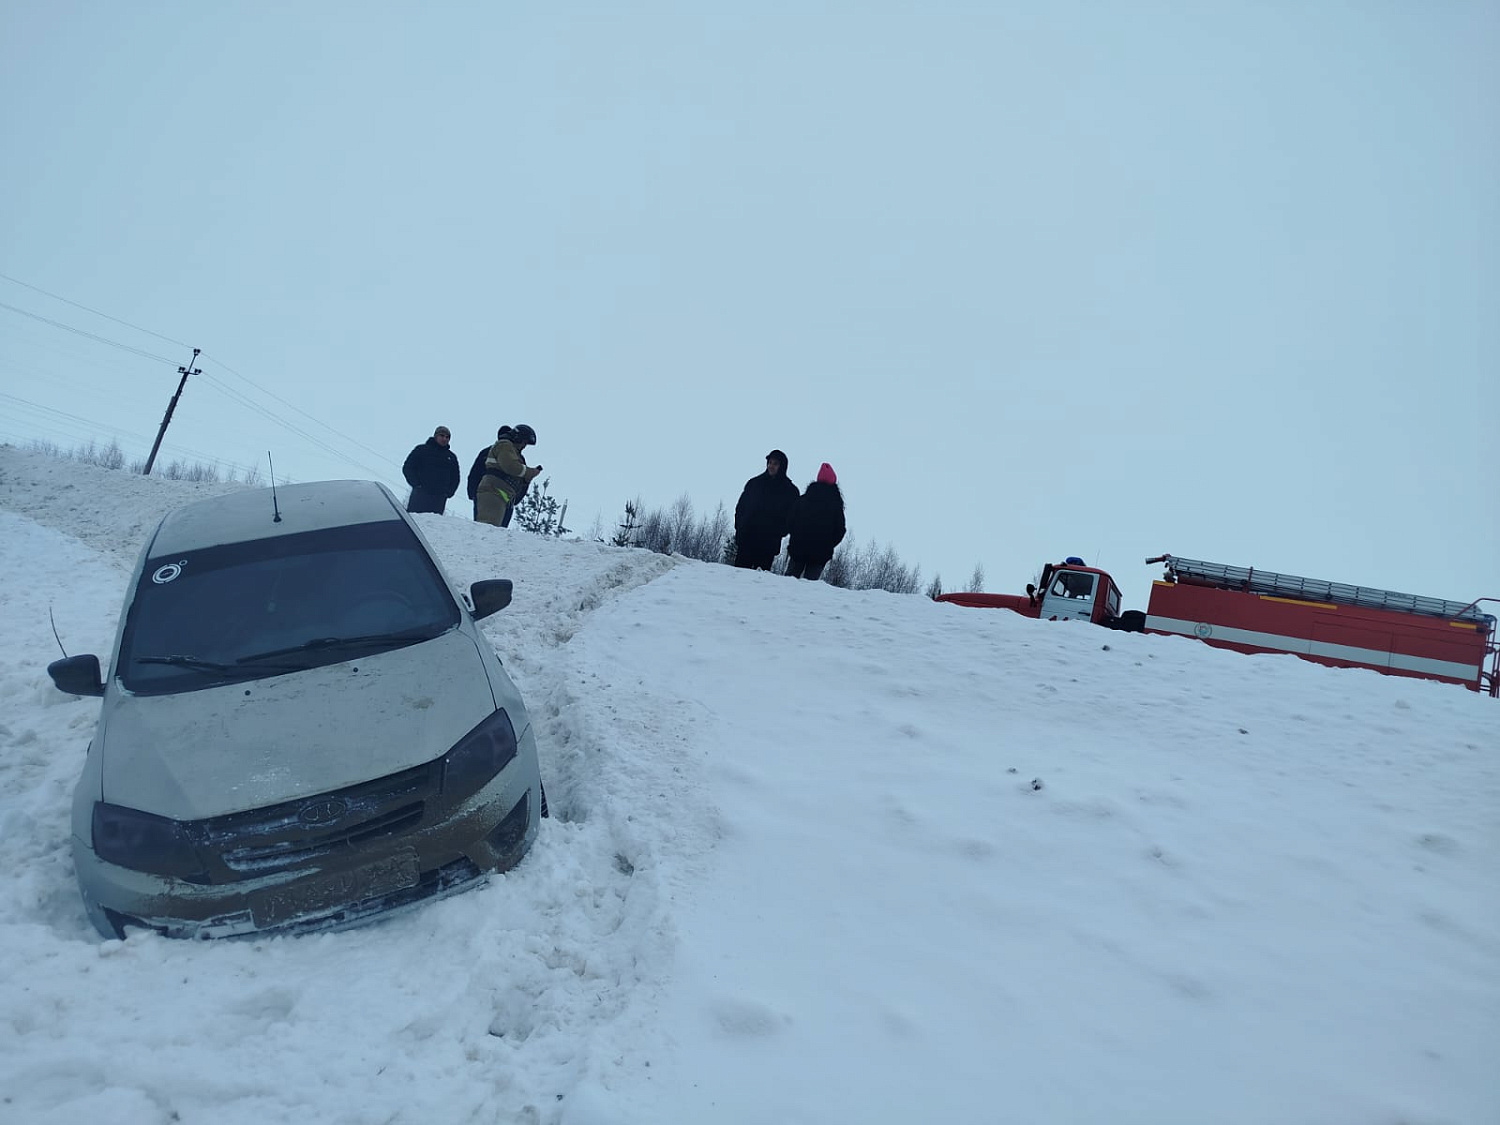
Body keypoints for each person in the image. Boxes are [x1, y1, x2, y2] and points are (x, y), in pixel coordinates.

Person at [733, 449, 799, 570]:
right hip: (747, 539)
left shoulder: (790, 491)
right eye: (770, 463)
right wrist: (740, 527)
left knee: (760, 583)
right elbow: (741, 508)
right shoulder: (754, 484)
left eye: (775, 463)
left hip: (768, 543)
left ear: (782, 466)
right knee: (738, 579)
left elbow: (793, 517)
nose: (771, 466)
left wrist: (780, 531)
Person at [785, 462, 846, 581]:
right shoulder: (836, 506)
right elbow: (840, 530)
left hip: (798, 549)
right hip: (820, 553)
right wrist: (828, 544)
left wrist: (796, 536)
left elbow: (790, 521)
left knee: (788, 583)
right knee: (810, 589)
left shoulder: (803, 500)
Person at [475, 423, 542, 528]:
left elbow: (514, 474)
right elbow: (510, 466)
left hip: (502, 496)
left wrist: (525, 480)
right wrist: (529, 472)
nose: (524, 446)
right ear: (517, 438)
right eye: (524, 442)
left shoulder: (513, 451)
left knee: (494, 533)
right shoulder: (505, 445)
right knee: (487, 530)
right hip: (493, 493)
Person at [402, 425, 460, 515]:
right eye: (442, 435)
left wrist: (448, 492)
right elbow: (408, 467)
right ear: (435, 436)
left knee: (433, 525)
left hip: (439, 499)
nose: (444, 439)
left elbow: (455, 478)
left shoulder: (451, 457)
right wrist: (416, 484)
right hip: (420, 496)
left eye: (447, 437)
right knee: (415, 523)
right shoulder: (421, 450)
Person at [467, 426, 513, 522]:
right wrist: (472, 493)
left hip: (503, 498)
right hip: (484, 495)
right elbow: (474, 473)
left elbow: (522, 481)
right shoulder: (486, 452)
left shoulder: (515, 456)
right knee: (484, 527)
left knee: (494, 530)